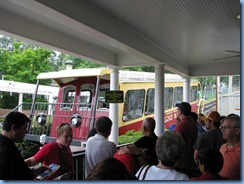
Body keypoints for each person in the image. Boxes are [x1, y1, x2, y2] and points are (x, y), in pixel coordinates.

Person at [0, 112, 48, 180]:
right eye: (24, 128)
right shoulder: (6, 152)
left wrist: (32, 171)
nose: (26, 132)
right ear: (14, 128)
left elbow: (16, 171)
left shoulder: (7, 146)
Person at [174, 102, 198, 170]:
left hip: (181, 163)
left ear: (180, 112)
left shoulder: (180, 125)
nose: (176, 111)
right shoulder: (193, 122)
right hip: (191, 160)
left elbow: (175, 144)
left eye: (177, 110)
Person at [219, 115, 240, 180]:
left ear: (237, 131)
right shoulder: (222, 147)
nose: (222, 130)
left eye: (225, 127)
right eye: (221, 127)